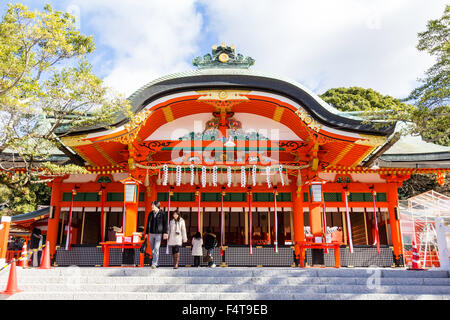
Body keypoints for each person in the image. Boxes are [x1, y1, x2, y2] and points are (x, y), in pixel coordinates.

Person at [144, 200, 168, 269]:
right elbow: (148, 223)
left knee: (156, 249)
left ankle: (154, 263)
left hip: (158, 234)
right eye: (152, 205)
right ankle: (156, 263)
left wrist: (165, 232)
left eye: (153, 205)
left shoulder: (162, 213)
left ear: (157, 206)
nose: (152, 207)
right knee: (152, 249)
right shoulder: (150, 214)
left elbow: (165, 224)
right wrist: (146, 233)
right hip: (151, 233)